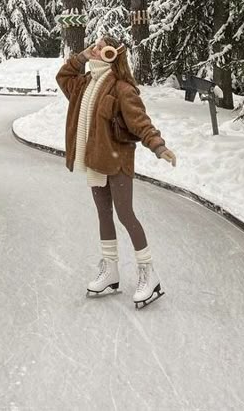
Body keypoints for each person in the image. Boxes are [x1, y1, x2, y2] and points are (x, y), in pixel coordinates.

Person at [56, 35, 177, 309]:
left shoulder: (122, 88)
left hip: (118, 160)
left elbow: (141, 122)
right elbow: (63, 75)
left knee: (125, 214)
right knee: (103, 213)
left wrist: (158, 146)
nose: (96, 49)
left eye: (101, 47)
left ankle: (149, 274)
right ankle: (110, 270)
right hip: (96, 161)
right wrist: (82, 57)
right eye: (95, 46)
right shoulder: (84, 84)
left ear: (112, 54)